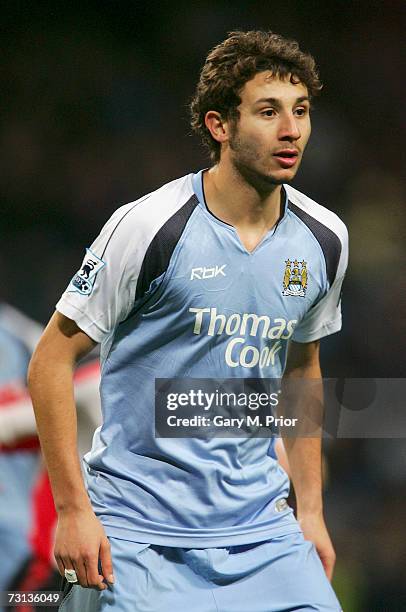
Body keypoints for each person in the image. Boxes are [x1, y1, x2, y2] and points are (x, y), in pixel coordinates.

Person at [28, 30, 348, 611]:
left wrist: (312, 512)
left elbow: (303, 371)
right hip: (137, 536)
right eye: (268, 112)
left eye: (301, 112)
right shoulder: (150, 227)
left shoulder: (325, 240)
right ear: (219, 125)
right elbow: (50, 357)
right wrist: (74, 511)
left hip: (263, 533)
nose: (291, 130)